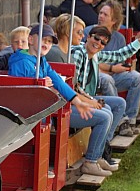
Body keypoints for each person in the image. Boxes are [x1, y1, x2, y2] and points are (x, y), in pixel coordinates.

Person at [8, 24, 116, 176]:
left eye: (50, 42)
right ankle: (39, 169)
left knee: (47, 123)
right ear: (31, 39)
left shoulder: (40, 61)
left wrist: (78, 102)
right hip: (24, 114)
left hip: (40, 110)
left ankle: (44, 167)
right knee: (44, 124)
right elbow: (21, 91)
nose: (46, 44)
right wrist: (38, 83)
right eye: (43, 39)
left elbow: (58, 82)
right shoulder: (21, 61)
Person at [71, 24, 140, 163]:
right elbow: (74, 87)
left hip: (86, 97)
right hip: (76, 101)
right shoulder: (80, 53)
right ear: (89, 36)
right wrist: (91, 101)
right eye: (96, 39)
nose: (98, 43)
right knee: (106, 111)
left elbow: (118, 55)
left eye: (103, 42)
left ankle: (102, 146)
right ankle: (94, 158)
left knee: (119, 103)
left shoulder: (95, 55)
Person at [86, 0, 140, 136]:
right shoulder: (90, 32)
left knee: (137, 78)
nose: (100, 16)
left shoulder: (119, 38)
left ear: (113, 21)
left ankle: (130, 119)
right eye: (100, 13)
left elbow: (118, 59)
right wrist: (112, 69)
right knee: (106, 78)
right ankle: (122, 121)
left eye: (105, 15)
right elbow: (92, 61)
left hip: (114, 76)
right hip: (96, 77)